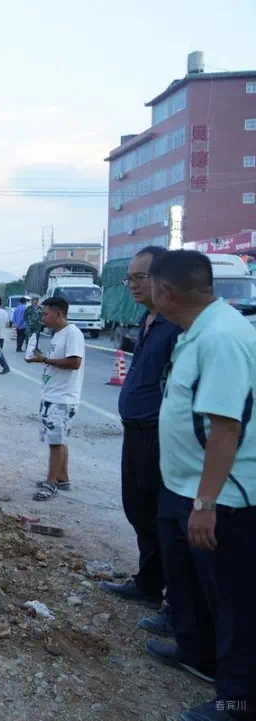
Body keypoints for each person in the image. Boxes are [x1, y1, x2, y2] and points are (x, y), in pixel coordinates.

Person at [146, 250, 256, 721]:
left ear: (165, 291)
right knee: (191, 583)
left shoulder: (223, 338)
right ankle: (195, 652)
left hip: (222, 496)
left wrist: (207, 502)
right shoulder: (196, 330)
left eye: (148, 284)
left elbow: (226, 428)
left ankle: (237, 700)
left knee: (233, 604)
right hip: (185, 485)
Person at [98, 246, 181, 638]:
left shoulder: (177, 326)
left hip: (159, 436)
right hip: (136, 432)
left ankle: (176, 605)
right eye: (128, 278)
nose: (130, 284)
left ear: (162, 278)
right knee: (137, 508)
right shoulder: (147, 320)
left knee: (163, 517)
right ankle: (148, 582)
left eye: (138, 277)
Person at [26, 296, 84, 501]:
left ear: (58, 314)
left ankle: (51, 484)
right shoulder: (56, 334)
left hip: (63, 397)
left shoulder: (73, 333)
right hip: (52, 393)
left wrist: (45, 359)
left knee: (55, 442)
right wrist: (40, 359)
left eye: (46, 314)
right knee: (59, 438)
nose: (43, 318)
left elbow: (75, 362)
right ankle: (62, 478)